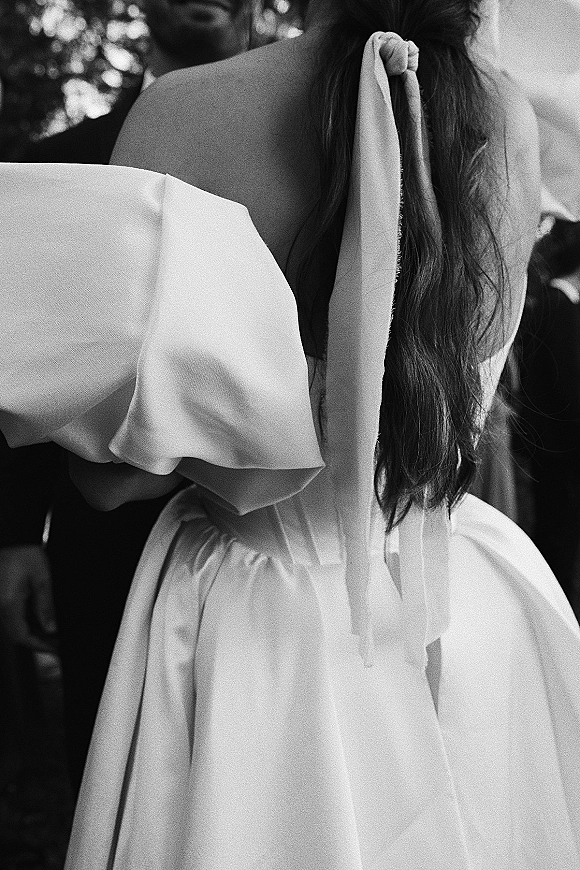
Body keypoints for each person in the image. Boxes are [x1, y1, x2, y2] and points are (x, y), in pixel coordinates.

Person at [1, 1, 579, 868]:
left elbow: (111, 479)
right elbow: (460, 410)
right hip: (461, 606)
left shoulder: (185, 112)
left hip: (258, 631)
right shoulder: (506, 116)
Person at [0, 0, 249, 795]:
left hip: (264, 523)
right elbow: (21, 345)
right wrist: (13, 533)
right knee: (107, 760)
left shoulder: (336, 146)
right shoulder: (64, 159)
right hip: (98, 525)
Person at [513, 219, 580, 612]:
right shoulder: (560, 307)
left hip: (552, 441)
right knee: (557, 532)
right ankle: (553, 611)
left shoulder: (556, 304)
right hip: (557, 444)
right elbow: (567, 387)